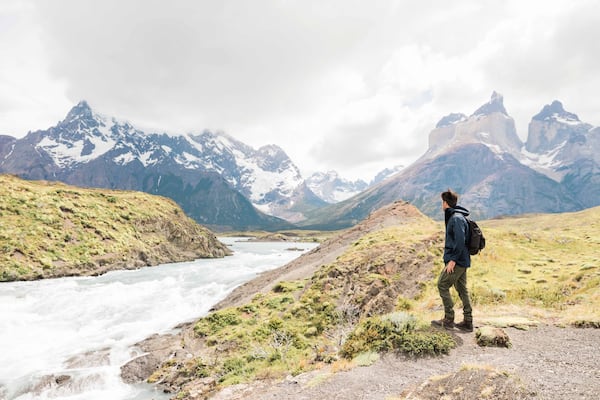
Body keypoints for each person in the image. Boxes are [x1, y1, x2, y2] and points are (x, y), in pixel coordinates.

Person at [431, 189, 473, 332]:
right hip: (462, 260)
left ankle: (449, 319)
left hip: (457, 261)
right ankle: (468, 322)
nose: (441, 205)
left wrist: (452, 260)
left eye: (442, 202)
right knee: (462, 289)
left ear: (445, 203)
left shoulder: (456, 218)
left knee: (442, 284)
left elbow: (460, 241)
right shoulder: (457, 216)